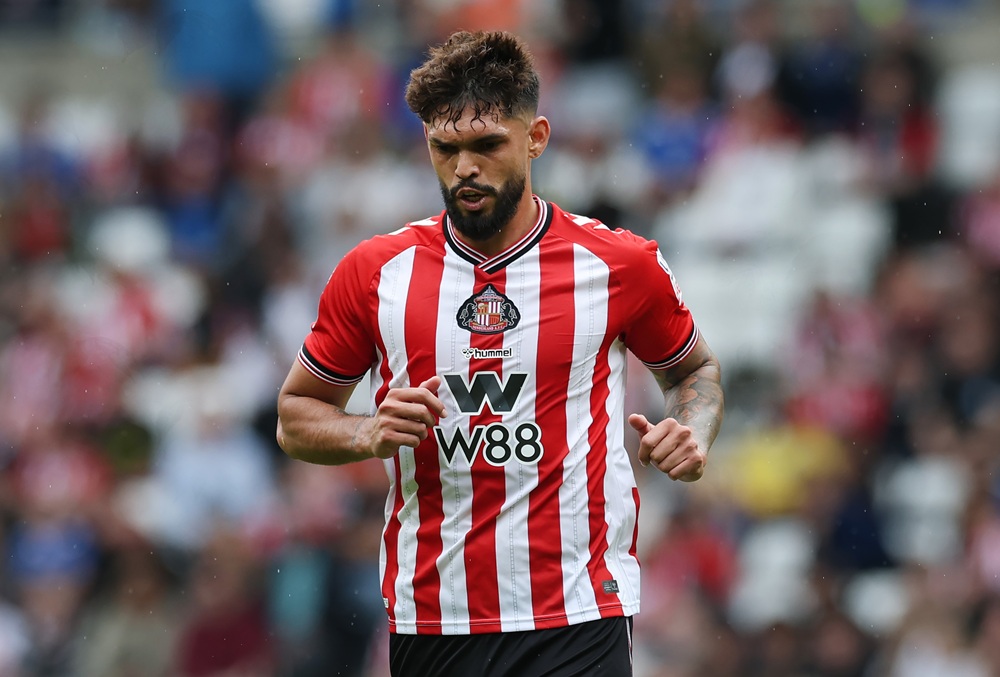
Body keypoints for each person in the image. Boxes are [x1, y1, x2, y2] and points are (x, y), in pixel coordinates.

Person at [276, 30, 725, 676]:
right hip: (435, 618)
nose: (464, 168)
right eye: (445, 148)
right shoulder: (375, 273)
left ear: (536, 137)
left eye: (487, 145)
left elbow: (693, 370)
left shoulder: (618, 264)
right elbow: (296, 415)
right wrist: (367, 431)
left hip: (577, 613)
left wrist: (692, 427)